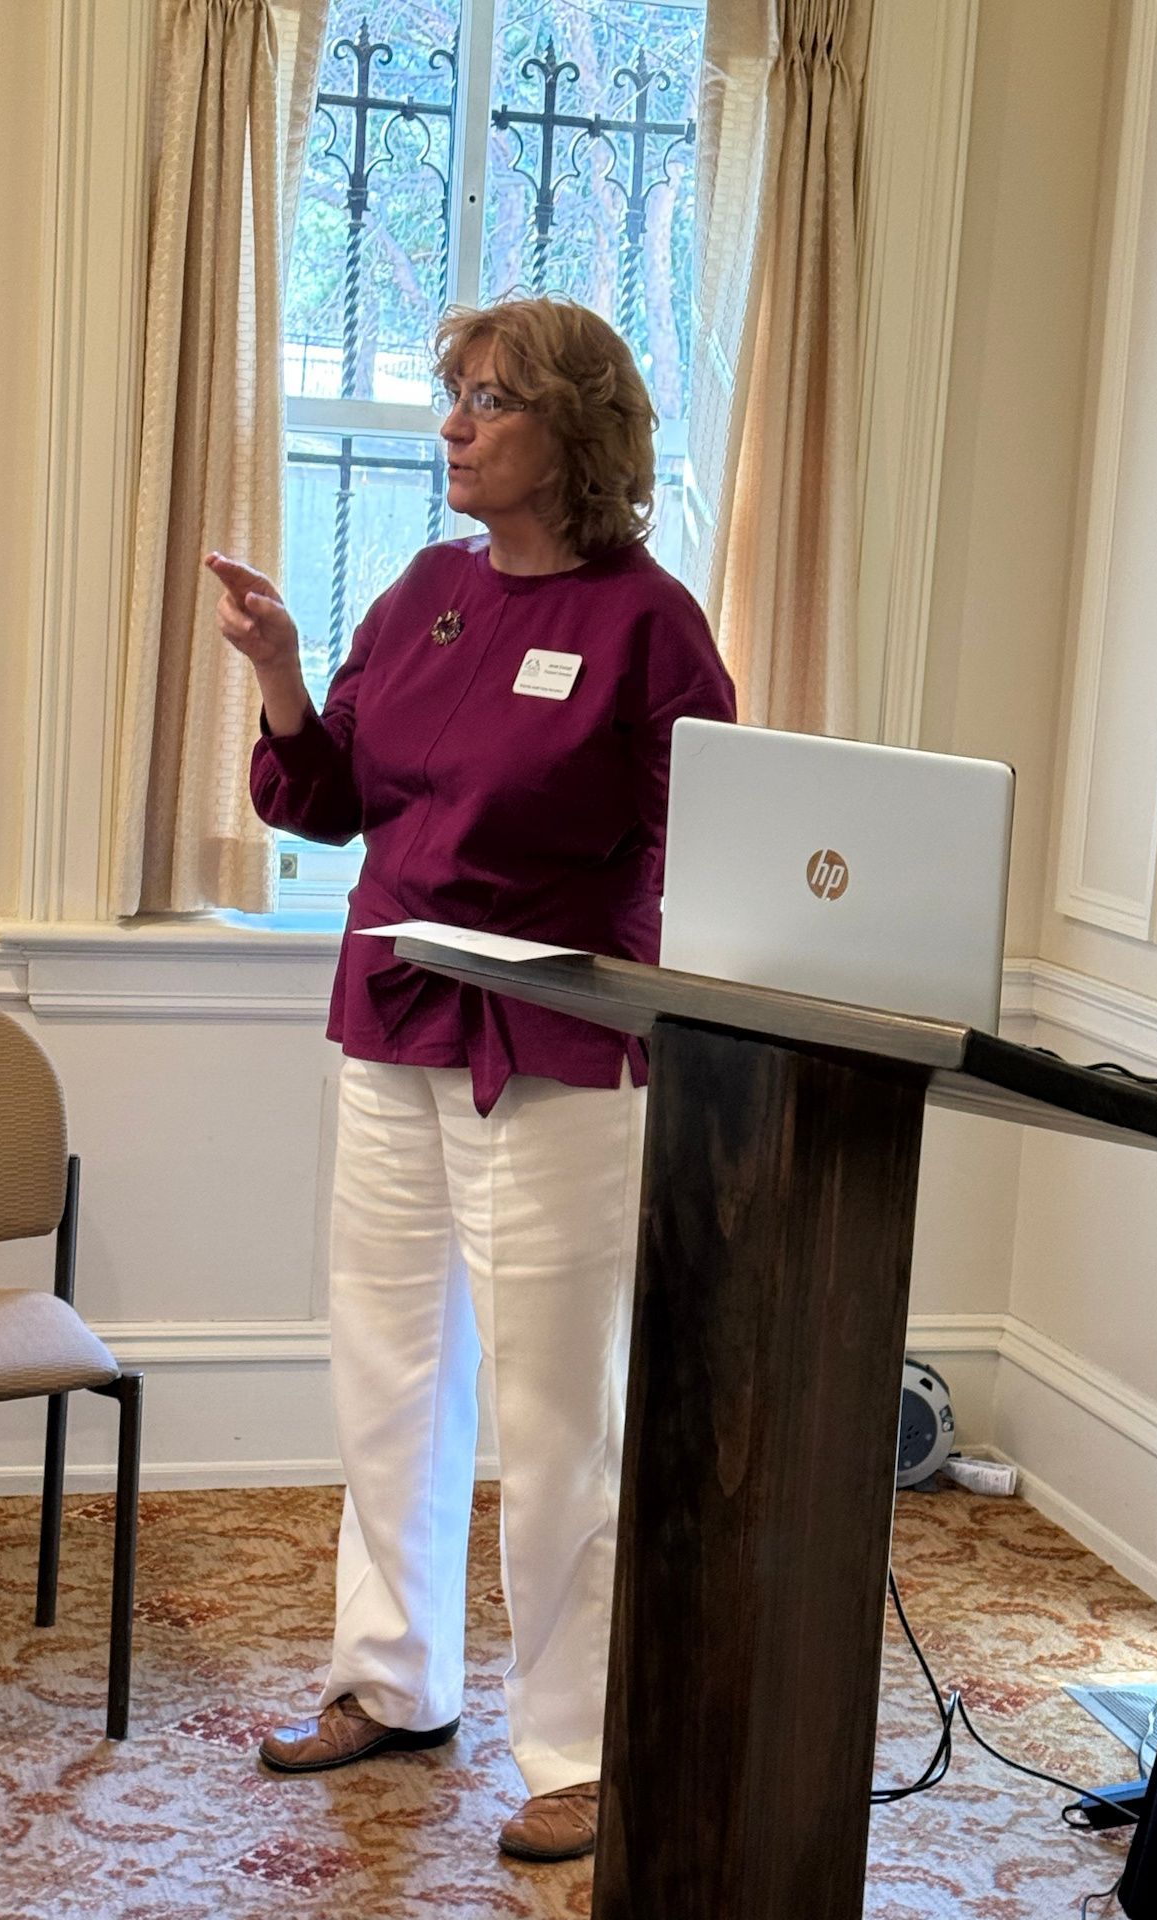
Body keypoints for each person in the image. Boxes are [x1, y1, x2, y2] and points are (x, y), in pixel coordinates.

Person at [207, 294, 735, 1863]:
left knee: (560, 1411)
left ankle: (579, 1750)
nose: (452, 423)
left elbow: (702, 850)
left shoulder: (651, 623)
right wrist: (288, 676)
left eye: (489, 400)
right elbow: (329, 798)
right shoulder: (426, 591)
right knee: (388, 1374)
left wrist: (610, 971)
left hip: (561, 1052)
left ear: (573, 433)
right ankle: (394, 1682)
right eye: (452, 395)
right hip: (390, 1023)